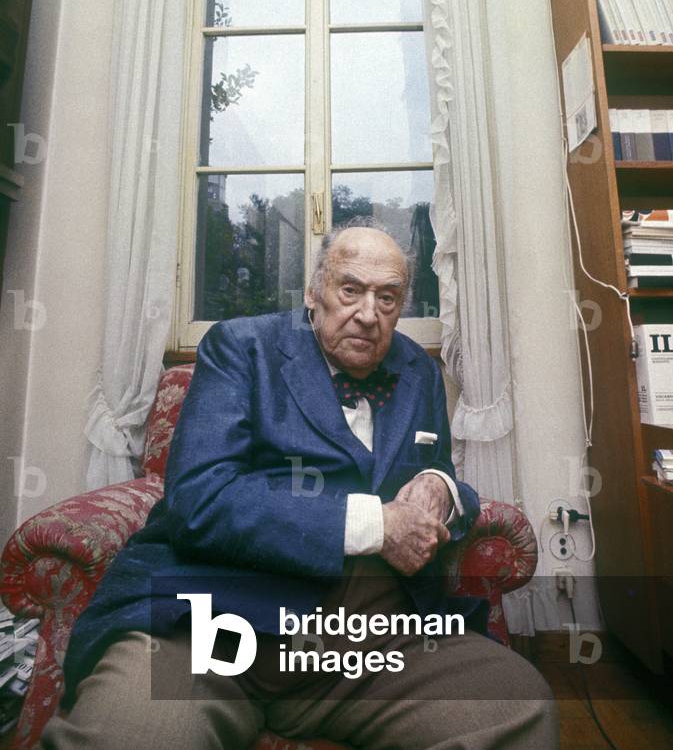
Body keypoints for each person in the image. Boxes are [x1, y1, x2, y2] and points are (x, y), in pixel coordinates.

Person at [42, 222, 558, 750]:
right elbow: (200, 500)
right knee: (128, 738)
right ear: (314, 292)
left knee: (518, 708)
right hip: (209, 628)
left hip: (372, 645)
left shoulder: (417, 372)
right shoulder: (242, 347)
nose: (367, 314)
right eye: (350, 290)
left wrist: (439, 488)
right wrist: (375, 525)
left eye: (387, 297)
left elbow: (443, 472)